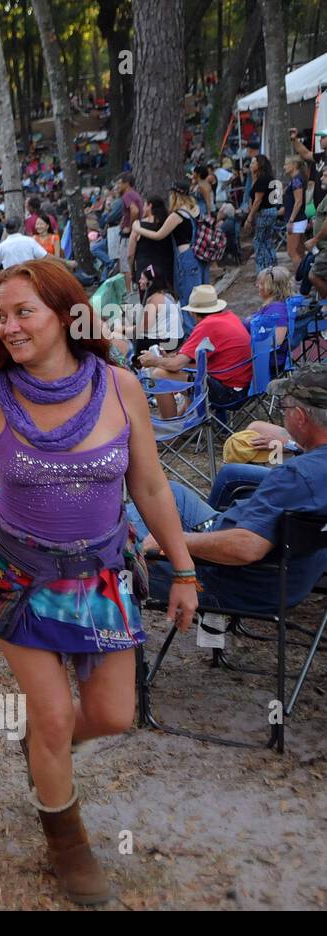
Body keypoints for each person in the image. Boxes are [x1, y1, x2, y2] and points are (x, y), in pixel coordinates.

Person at [0, 258, 197, 905]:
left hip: (102, 575)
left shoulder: (119, 387)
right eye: (0, 317)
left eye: (23, 312)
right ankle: (67, 842)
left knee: (113, 715)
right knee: (55, 716)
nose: (8, 327)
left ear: (65, 313)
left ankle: (42, 747)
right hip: (19, 576)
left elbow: (148, 484)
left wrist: (184, 569)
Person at [127, 364, 327, 615]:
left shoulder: (296, 476)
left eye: (284, 409)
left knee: (120, 545)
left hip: (228, 581)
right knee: (173, 493)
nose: (282, 417)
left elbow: (246, 548)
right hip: (283, 576)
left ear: (299, 416)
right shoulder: (310, 471)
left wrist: (173, 541)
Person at [137, 285, 251, 419]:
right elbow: (191, 360)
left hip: (228, 393)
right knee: (190, 370)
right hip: (243, 386)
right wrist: (168, 359)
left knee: (159, 375)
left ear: (193, 312)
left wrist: (154, 361)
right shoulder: (229, 317)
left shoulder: (207, 326)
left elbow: (176, 365)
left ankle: (170, 428)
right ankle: (185, 419)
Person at [130, 181, 205, 333]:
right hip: (196, 256)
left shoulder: (177, 215)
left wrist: (138, 228)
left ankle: (190, 334)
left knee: (185, 298)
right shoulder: (194, 209)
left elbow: (158, 235)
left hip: (184, 258)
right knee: (196, 296)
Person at [242, 154, 279, 271]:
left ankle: (262, 270)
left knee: (259, 241)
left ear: (259, 164)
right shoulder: (265, 177)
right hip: (271, 211)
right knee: (267, 241)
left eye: (253, 163)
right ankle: (272, 268)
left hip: (265, 212)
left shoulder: (263, 179)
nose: (251, 165)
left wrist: (250, 217)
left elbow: (257, 200)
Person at [283, 154, 310, 268]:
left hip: (296, 220)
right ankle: (305, 277)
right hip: (299, 219)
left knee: (292, 252)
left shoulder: (297, 180)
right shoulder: (297, 179)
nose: (284, 167)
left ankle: (301, 278)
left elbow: (298, 202)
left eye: (286, 164)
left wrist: (291, 220)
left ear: (294, 165)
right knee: (300, 251)